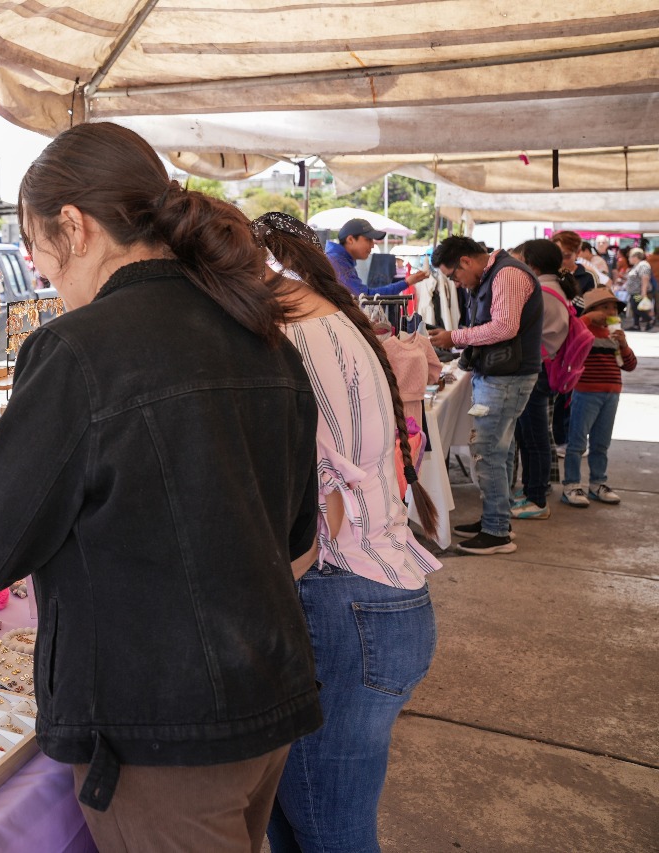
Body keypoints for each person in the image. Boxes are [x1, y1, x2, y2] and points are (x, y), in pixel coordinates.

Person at [0, 122, 324, 853]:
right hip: (266, 698)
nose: (44, 275)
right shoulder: (256, 330)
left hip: (164, 732)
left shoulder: (80, 349)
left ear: (75, 225)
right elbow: (295, 537)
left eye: (38, 253)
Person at [253, 213, 440, 853]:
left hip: (345, 605)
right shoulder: (331, 322)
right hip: (373, 601)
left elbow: (323, 505)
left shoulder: (298, 342)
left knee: (328, 831)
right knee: (305, 820)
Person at [428, 236, 542, 555]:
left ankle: (496, 533)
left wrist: (456, 337)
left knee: (488, 450)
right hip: (500, 374)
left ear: (465, 261)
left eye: (454, 276)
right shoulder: (497, 274)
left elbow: (504, 327)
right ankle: (496, 520)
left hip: (506, 377)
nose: (457, 283)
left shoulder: (507, 274)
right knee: (497, 452)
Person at [509, 240, 572, 521]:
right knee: (528, 435)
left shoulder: (541, 291)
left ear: (531, 263)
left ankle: (537, 499)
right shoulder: (549, 288)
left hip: (538, 370)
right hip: (541, 368)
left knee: (534, 438)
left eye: (520, 259)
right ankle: (531, 491)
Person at [560, 289, 637, 507]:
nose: (611, 312)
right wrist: (586, 319)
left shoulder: (614, 334)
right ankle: (571, 485)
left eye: (614, 308)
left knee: (601, 443)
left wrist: (623, 345)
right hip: (585, 391)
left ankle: (598, 483)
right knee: (576, 443)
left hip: (611, 393)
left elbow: (629, 365)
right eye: (605, 307)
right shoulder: (584, 330)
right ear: (592, 311)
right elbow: (570, 338)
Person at [325, 218, 430, 298]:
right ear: (351, 239)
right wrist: (406, 282)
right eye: (368, 240)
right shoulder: (337, 262)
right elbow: (365, 296)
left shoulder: (340, 260)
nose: (372, 245)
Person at [551, 231, 596, 298]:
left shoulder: (587, 277)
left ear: (578, 253)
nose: (561, 260)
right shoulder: (548, 274)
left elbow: (590, 304)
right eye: (557, 255)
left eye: (566, 256)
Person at [622, 248, 653, 331]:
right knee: (635, 307)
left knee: (636, 307)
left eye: (630, 257)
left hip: (638, 293)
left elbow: (645, 278)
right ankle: (636, 325)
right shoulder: (637, 265)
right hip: (634, 292)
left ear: (635, 257)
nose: (628, 259)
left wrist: (643, 292)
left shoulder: (643, 265)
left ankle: (650, 319)